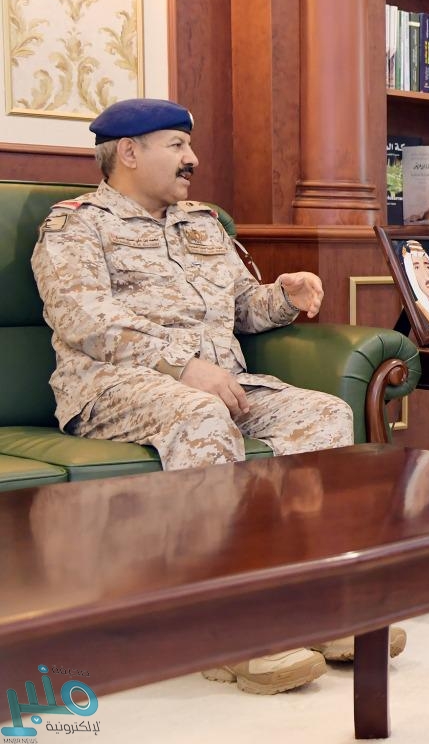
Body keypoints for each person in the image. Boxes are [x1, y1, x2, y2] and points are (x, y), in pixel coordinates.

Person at [30, 98, 406, 695]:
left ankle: (319, 604)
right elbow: (84, 319)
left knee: (323, 414)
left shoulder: (203, 223)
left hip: (221, 381)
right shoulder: (76, 226)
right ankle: (230, 630)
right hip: (111, 388)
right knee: (202, 415)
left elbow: (243, 308)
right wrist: (181, 367)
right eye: (177, 145)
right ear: (129, 152)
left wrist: (283, 295)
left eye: (190, 145)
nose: (194, 159)